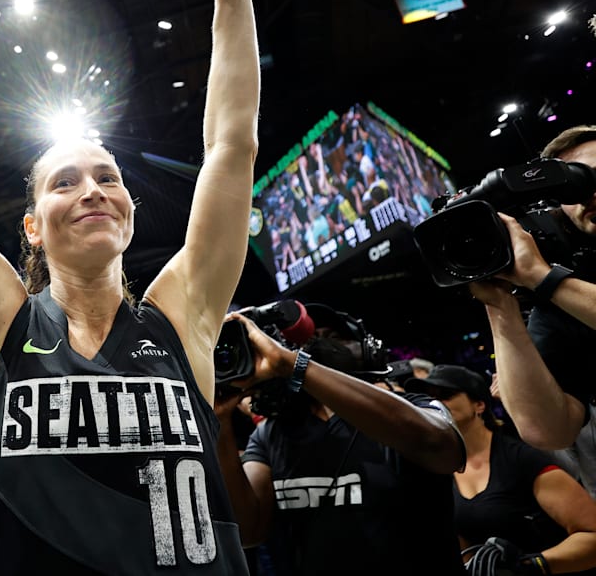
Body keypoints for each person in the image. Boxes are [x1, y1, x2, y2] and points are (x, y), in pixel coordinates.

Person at [0, 0, 260, 570]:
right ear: (33, 227)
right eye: (65, 182)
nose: (92, 189)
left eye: (107, 177)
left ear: (127, 209)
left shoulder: (183, 318)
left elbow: (232, 145)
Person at [217, 303, 466, 576]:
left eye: (332, 337)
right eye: (301, 342)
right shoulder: (271, 434)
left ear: (367, 351)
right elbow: (248, 531)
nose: (313, 346)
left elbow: (442, 448)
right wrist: (219, 418)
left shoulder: (412, 407)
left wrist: (296, 366)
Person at [469, 125, 596, 489]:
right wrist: (498, 303)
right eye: (571, 185)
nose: (588, 192)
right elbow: (548, 430)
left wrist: (543, 277)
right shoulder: (560, 302)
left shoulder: (554, 285)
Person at [404, 365, 596, 575]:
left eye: (446, 395)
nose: (435, 403)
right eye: (429, 397)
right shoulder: (439, 468)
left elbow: (591, 532)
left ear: (479, 405)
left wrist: (531, 565)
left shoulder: (522, 459)